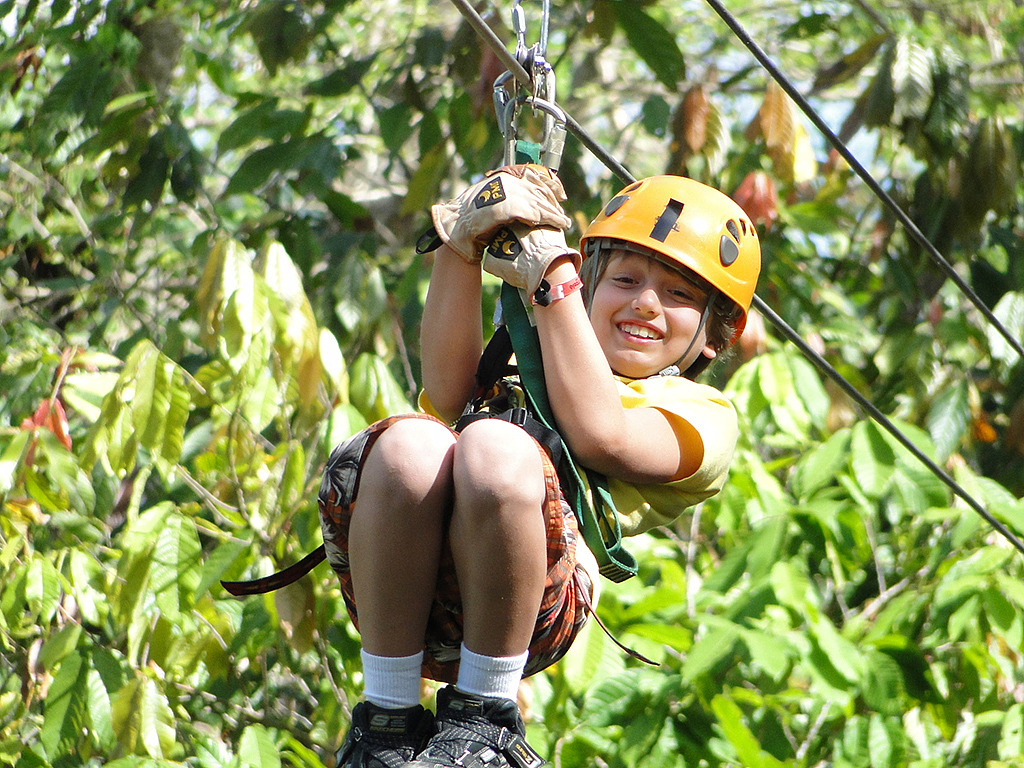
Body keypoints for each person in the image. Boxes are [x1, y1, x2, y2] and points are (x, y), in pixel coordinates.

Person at [317, 168, 761, 768]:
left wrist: (551, 276)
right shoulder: (532, 353)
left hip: (536, 605)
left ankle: (485, 719)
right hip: (414, 577)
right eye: (624, 280)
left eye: (679, 295)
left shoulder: (702, 415)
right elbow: (447, 394)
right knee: (409, 446)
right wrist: (461, 244)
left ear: (715, 336)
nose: (645, 303)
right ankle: (385, 722)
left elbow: (602, 434)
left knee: (496, 448)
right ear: (595, 282)